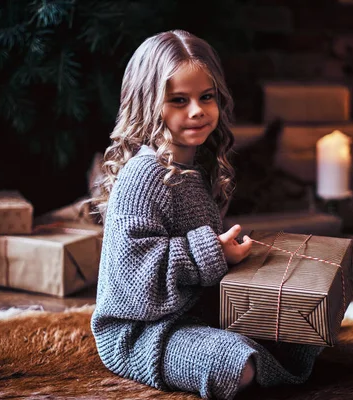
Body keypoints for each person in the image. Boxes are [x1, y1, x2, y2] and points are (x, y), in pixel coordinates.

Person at [90, 29, 322, 400]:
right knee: (236, 365)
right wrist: (211, 251)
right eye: (179, 100)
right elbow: (133, 279)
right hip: (143, 330)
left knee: (301, 332)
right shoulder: (143, 176)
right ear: (148, 104)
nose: (196, 110)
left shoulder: (196, 168)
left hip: (192, 311)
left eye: (206, 97)